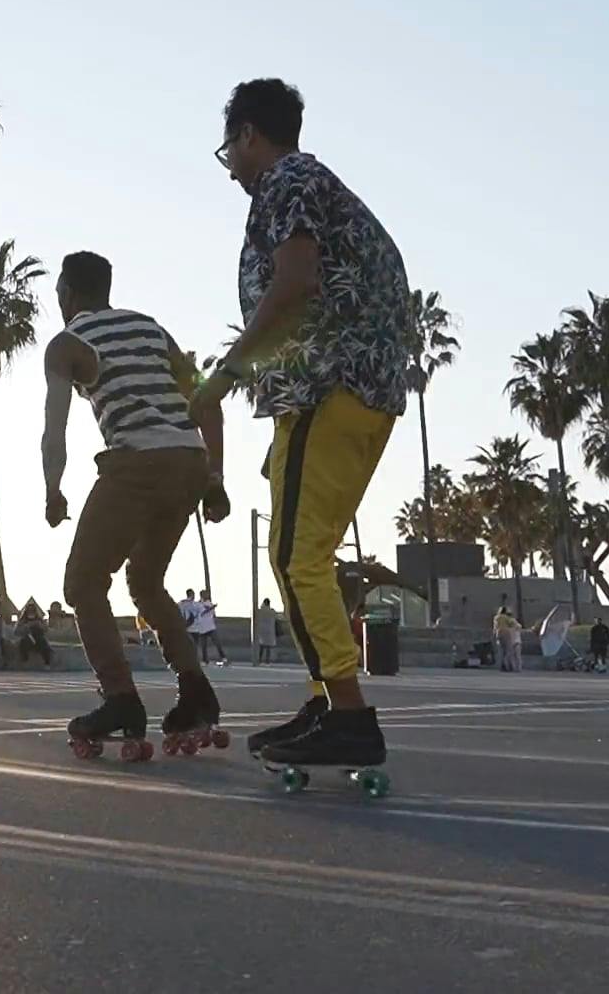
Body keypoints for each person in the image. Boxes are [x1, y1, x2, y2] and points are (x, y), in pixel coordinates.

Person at [191, 78, 412, 767]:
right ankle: (326, 701)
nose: (231, 167)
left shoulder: (288, 181)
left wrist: (222, 377)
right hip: (346, 391)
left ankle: (350, 716)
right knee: (297, 553)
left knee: (296, 557)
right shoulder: (313, 184)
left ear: (248, 134)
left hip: (332, 386)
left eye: (228, 151)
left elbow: (294, 286)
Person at [43, 250, 229, 753]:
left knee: (83, 582)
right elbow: (205, 399)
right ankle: (196, 691)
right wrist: (215, 477)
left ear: (67, 293)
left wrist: (53, 488)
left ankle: (120, 698)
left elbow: (55, 429)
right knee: (145, 582)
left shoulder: (67, 343)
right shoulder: (149, 328)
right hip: (188, 463)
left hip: (137, 464)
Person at [193, 589, 227, 665]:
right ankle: (205, 660)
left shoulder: (209, 603)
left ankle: (223, 657)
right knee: (203, 646)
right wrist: (211, 608)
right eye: (204, 594)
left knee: (217, 643)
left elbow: (213, 614)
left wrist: (214, 617)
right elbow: (202, 613)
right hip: (202, 628)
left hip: (211, 627)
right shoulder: (198, 604)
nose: (206, 596)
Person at [16, 598, 53, 667]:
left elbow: (46, 629)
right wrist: (26, 626)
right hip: (27, 637)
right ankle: (24, 661)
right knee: (23, 643)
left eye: (32, 610)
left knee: (43, 643)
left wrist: (39, 625)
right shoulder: (23, 620)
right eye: (29, 610)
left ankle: (47, 663)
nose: (31, 612)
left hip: (38, 638)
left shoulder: (39, 619)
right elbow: (16, 631)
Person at [493, 606, 519, 673]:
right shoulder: (506, 617)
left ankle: (502, 665)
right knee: (508, 650)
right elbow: (513, 624)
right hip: (506, 633)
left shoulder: (496, 617)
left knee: (501, 650)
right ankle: (506, 665)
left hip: (498, 633)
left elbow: (495, 627)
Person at [252, 598, 278, 665]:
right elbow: (276, 616)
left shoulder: (260, 611)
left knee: (262, 646)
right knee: (268, 647)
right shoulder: (272, 611)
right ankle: (267, 661)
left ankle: (259, 660)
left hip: (262, 630)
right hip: (270, 630)